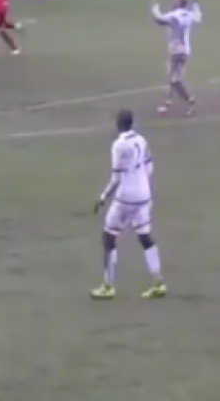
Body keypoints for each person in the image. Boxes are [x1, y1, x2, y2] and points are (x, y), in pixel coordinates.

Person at [91, 109, 166, 300]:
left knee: (108, 236)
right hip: (144, 194)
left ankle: (108, 285)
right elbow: (149, 167)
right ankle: (158, 282)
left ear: (118, 124)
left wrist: (103, 196)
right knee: (144, 236)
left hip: (126, 197)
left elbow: (116, 177)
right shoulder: (141, 140)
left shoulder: (118, 145)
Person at [151, 0, 201, 116]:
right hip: (185, 51)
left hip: (176, 51)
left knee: (174, 80)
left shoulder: (174, 15)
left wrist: (154, 6)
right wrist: (196, 5)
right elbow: (198, 17)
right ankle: (167, 104)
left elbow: (159, 19)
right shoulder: (189, 15)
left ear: (178, 2)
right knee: (172, 77)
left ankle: (191, 101)